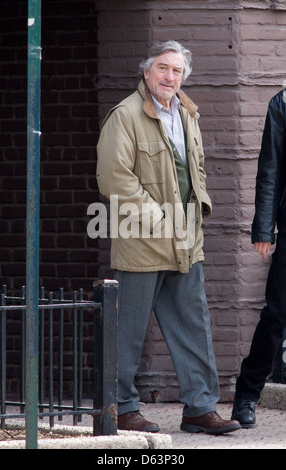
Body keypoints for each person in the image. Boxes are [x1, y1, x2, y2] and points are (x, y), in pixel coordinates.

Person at [96, 40, 241, 435]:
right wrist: (159, 219)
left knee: (193, 328)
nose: (169, 76)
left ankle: (199, 409)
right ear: (146, 73)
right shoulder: (124, 115)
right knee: (128, 332)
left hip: (186, 241)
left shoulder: (187, 112)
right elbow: (113, 178)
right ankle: (123, 409)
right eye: (163, 68)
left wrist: (201, 208)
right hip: (143, 240)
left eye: (176, 71)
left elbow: (197, 171)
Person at [231, 89, 286, 428]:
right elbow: (271, 169)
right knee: (278, 314)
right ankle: (247, 394)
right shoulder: (283, 104)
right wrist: (263, 228)